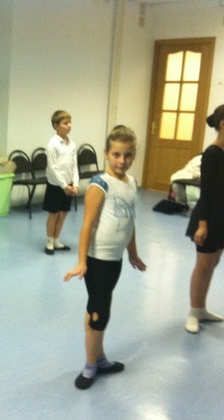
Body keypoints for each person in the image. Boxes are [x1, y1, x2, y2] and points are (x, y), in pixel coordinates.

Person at [65, 125, 147, 390]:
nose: (122, 160)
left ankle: (99, 358)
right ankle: (90, 365)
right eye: (116, 154)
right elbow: (87, 225)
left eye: (128, 155)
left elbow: (129, 222)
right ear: (106, 154)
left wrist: (133, 253)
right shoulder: (100, 184)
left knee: (102, 307)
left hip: (115, 260)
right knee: (98, 312)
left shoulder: (131, 183)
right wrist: (81, 261)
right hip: (98, 260)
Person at [184, 104, 224, 334]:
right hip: (207, 218)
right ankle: (193, 311)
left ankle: (201, 309)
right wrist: (202, 225)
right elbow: (206, 191)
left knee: (213, 263)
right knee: (203, 265)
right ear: (223, 124)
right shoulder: (211, 153)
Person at [43, 110, 78, 255]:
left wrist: (75, 183)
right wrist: (64, 185)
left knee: (63, 214)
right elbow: (53, 168)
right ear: (56, 126)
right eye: (65, 123)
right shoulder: (52, 144)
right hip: (56, 185)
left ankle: (56, 240)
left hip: (69, 185)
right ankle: (49, 242)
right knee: (54, 214)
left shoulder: (72, 144)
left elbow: (74, 165)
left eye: (70, 122)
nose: (69, 125)